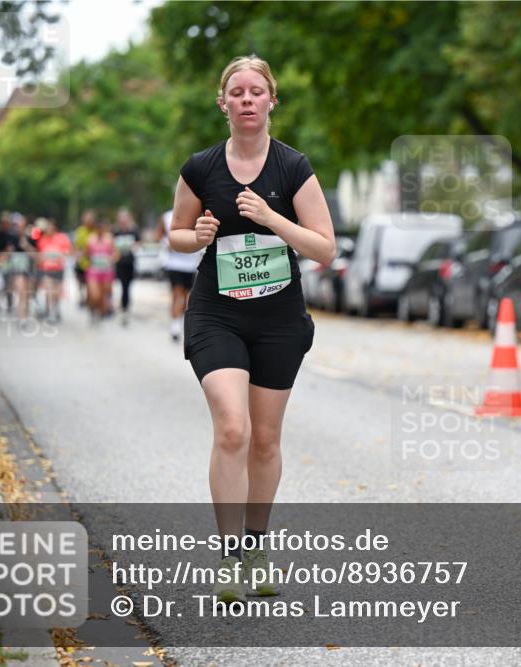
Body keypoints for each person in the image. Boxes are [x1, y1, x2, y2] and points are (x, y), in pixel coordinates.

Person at [169, 55, 335, 601]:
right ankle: (230, 557)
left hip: (278, 319)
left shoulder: (293, 168)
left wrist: (272, 219)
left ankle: (258, 546)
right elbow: (175, 233)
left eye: (255, 91)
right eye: (236, 91)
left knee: (264, 440)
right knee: (233, 429)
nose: (245, 99)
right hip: (216, 312)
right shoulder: (201, 167)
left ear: (270, 102)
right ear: (223, 103)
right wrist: (197, 236)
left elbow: (325, 249)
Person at [158, 209, 201, 341]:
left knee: (188, 297)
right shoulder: (166, 216)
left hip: (191, 265)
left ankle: (181, 323)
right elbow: (159, 235)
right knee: (177, 295)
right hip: (174, 264)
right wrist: (168, 243)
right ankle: (175, 327)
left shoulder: (197, 213)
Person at [35, 218, 71, 324]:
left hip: (59, 268)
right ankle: (51, 312)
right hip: (46, 269)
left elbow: (68, 251)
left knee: (56, 291)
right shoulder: (42, 240)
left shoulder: (62, 238)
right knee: (49, 290)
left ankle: (55, 308)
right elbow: (40, 255)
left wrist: (61, 255)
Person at [85, 218, 118, 324]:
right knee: (95, 295)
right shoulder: (90, 239)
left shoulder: (109, 239)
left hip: (106, 271)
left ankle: (99, 313)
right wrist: (91, 259)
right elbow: (86, 254)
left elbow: (116, 253)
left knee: (103, 295)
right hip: (94, 271)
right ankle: (92, 309)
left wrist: (110, 259)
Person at [113, 208, 140, 326]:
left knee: (127, 287)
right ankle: (123, 308)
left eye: (125, 218)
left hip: (130, 263)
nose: (123, 220)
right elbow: (110, 244)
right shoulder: (115, 231)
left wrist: (134, 246)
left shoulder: (134, 231)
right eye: (121, 218)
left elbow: (139, 243)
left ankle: (125, 308)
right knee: (123, 286)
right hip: (119, 263)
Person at [73, 210, 96, 308]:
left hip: (92, 263)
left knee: (90, 283)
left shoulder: (95, 231)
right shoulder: (80, 231)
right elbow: (76, 246)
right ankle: (82, 297)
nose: (89, 221)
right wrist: (78, 255)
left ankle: (89, 298)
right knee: (80, 281)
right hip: (82, 262)